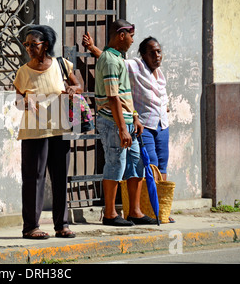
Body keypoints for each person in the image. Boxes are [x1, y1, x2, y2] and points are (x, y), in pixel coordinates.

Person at [83, 20, 157, 226]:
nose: (133, 41)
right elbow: (113, 97)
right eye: (131, 36)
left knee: (136, 164)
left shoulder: (115, 58)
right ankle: (109, 214)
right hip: (113, 123)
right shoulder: (110, 61)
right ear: (121, 35)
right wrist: (123, 129)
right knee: (115, 164)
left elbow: (124, 96)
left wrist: (134, 117)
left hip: (127, 122)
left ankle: (134, 212)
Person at [13, 25, 81, 239]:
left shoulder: (62, 65)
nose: (29, 49)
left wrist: (73, 89)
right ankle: (31, 227)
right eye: (27, 45)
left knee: (60, 177)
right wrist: (25, 101)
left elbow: (78, 85)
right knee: (34, 178)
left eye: (34, 44)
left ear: (46, 46)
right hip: (34, 132)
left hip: (60, 128)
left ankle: (62, 225)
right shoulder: (23, 72)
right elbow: (16, 100)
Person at [126, 37, 174, 222]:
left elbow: (161, 95)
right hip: (144, 124)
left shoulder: (160, 74)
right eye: (152, 52)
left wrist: (165, 106)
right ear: (143, 54)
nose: (157, 55)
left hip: (162, 124)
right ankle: (151, 209)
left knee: (162, 163)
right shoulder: (135, 66)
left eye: (159, 51)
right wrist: (93, 49)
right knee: (151, 163)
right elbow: (115, 64)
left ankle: (162, 210)